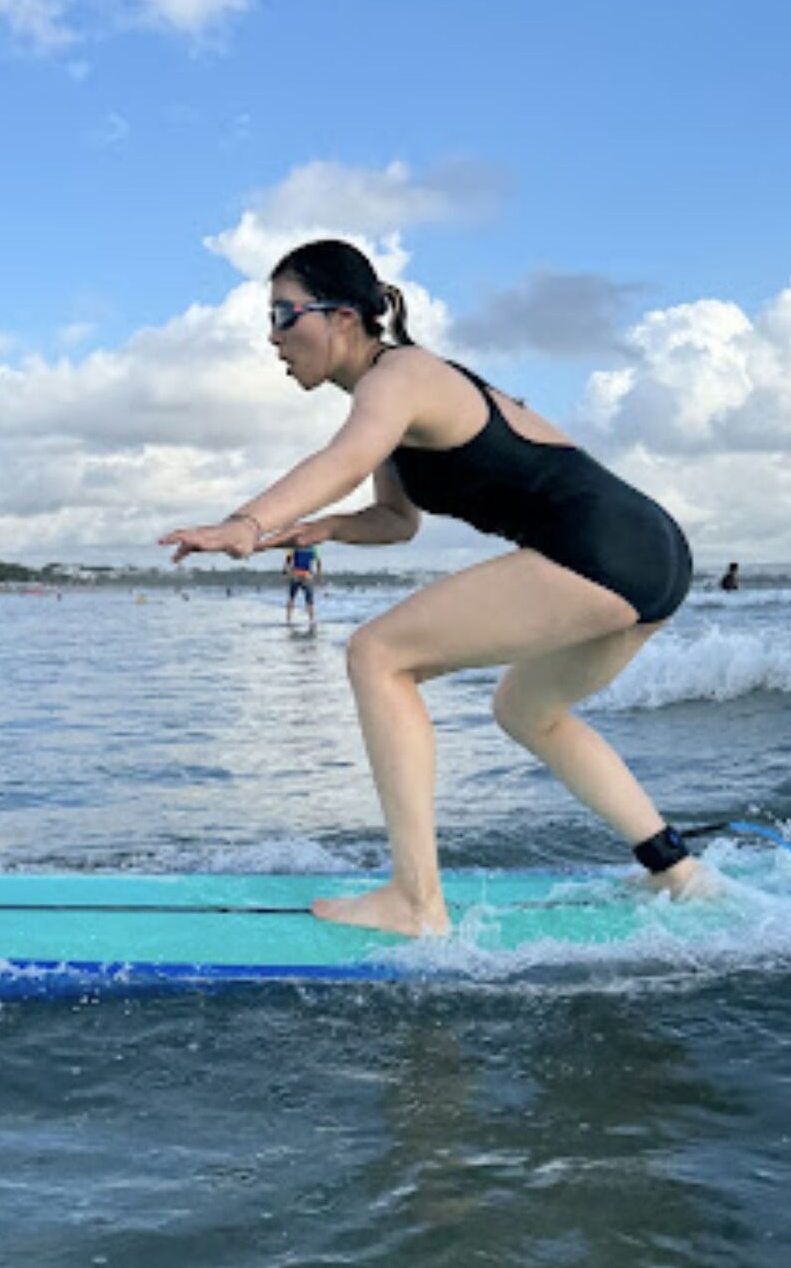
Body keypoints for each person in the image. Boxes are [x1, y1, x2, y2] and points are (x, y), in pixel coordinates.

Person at [160, 239, 704, 937]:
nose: (272, 336)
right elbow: (394, 522)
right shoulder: (389, 404)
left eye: (283, 314)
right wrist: (318, 529)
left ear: (342, 317)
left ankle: (415, 900)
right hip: (648, 553)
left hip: (599, 545)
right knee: (524, 708)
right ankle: (673, 869)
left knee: (376, 654)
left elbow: (341, 458)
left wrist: (244, 521)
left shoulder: (403, 375)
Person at [284, 543, 321, 625]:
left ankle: (288, 619)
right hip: (307, 575)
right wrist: (318, 574)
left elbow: (288, 559)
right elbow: (318, 561)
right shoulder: (312, 547)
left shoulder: (294, 546)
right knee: (309, 600)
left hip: (295, 574)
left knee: (291, 597)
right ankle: (311, 620)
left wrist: (285, 571)